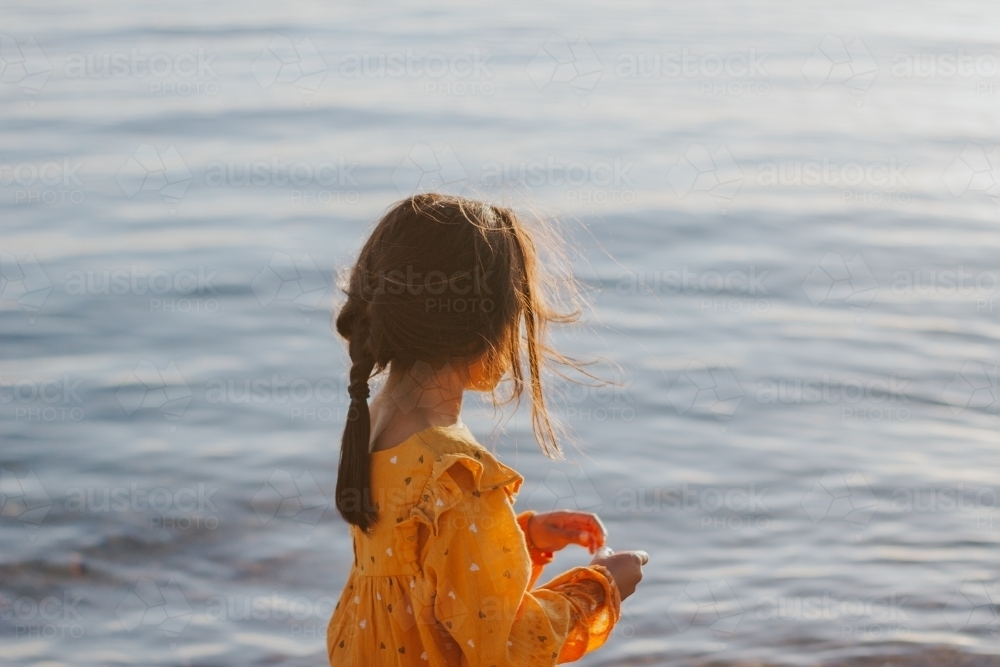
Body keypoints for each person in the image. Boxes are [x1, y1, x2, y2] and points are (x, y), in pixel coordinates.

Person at [327, 193, 648, 666]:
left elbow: (418, 574)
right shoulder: (456, 474)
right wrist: (599, 588)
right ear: (489, 326)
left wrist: (523, 538)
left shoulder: (373, 428)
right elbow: (506, 647)